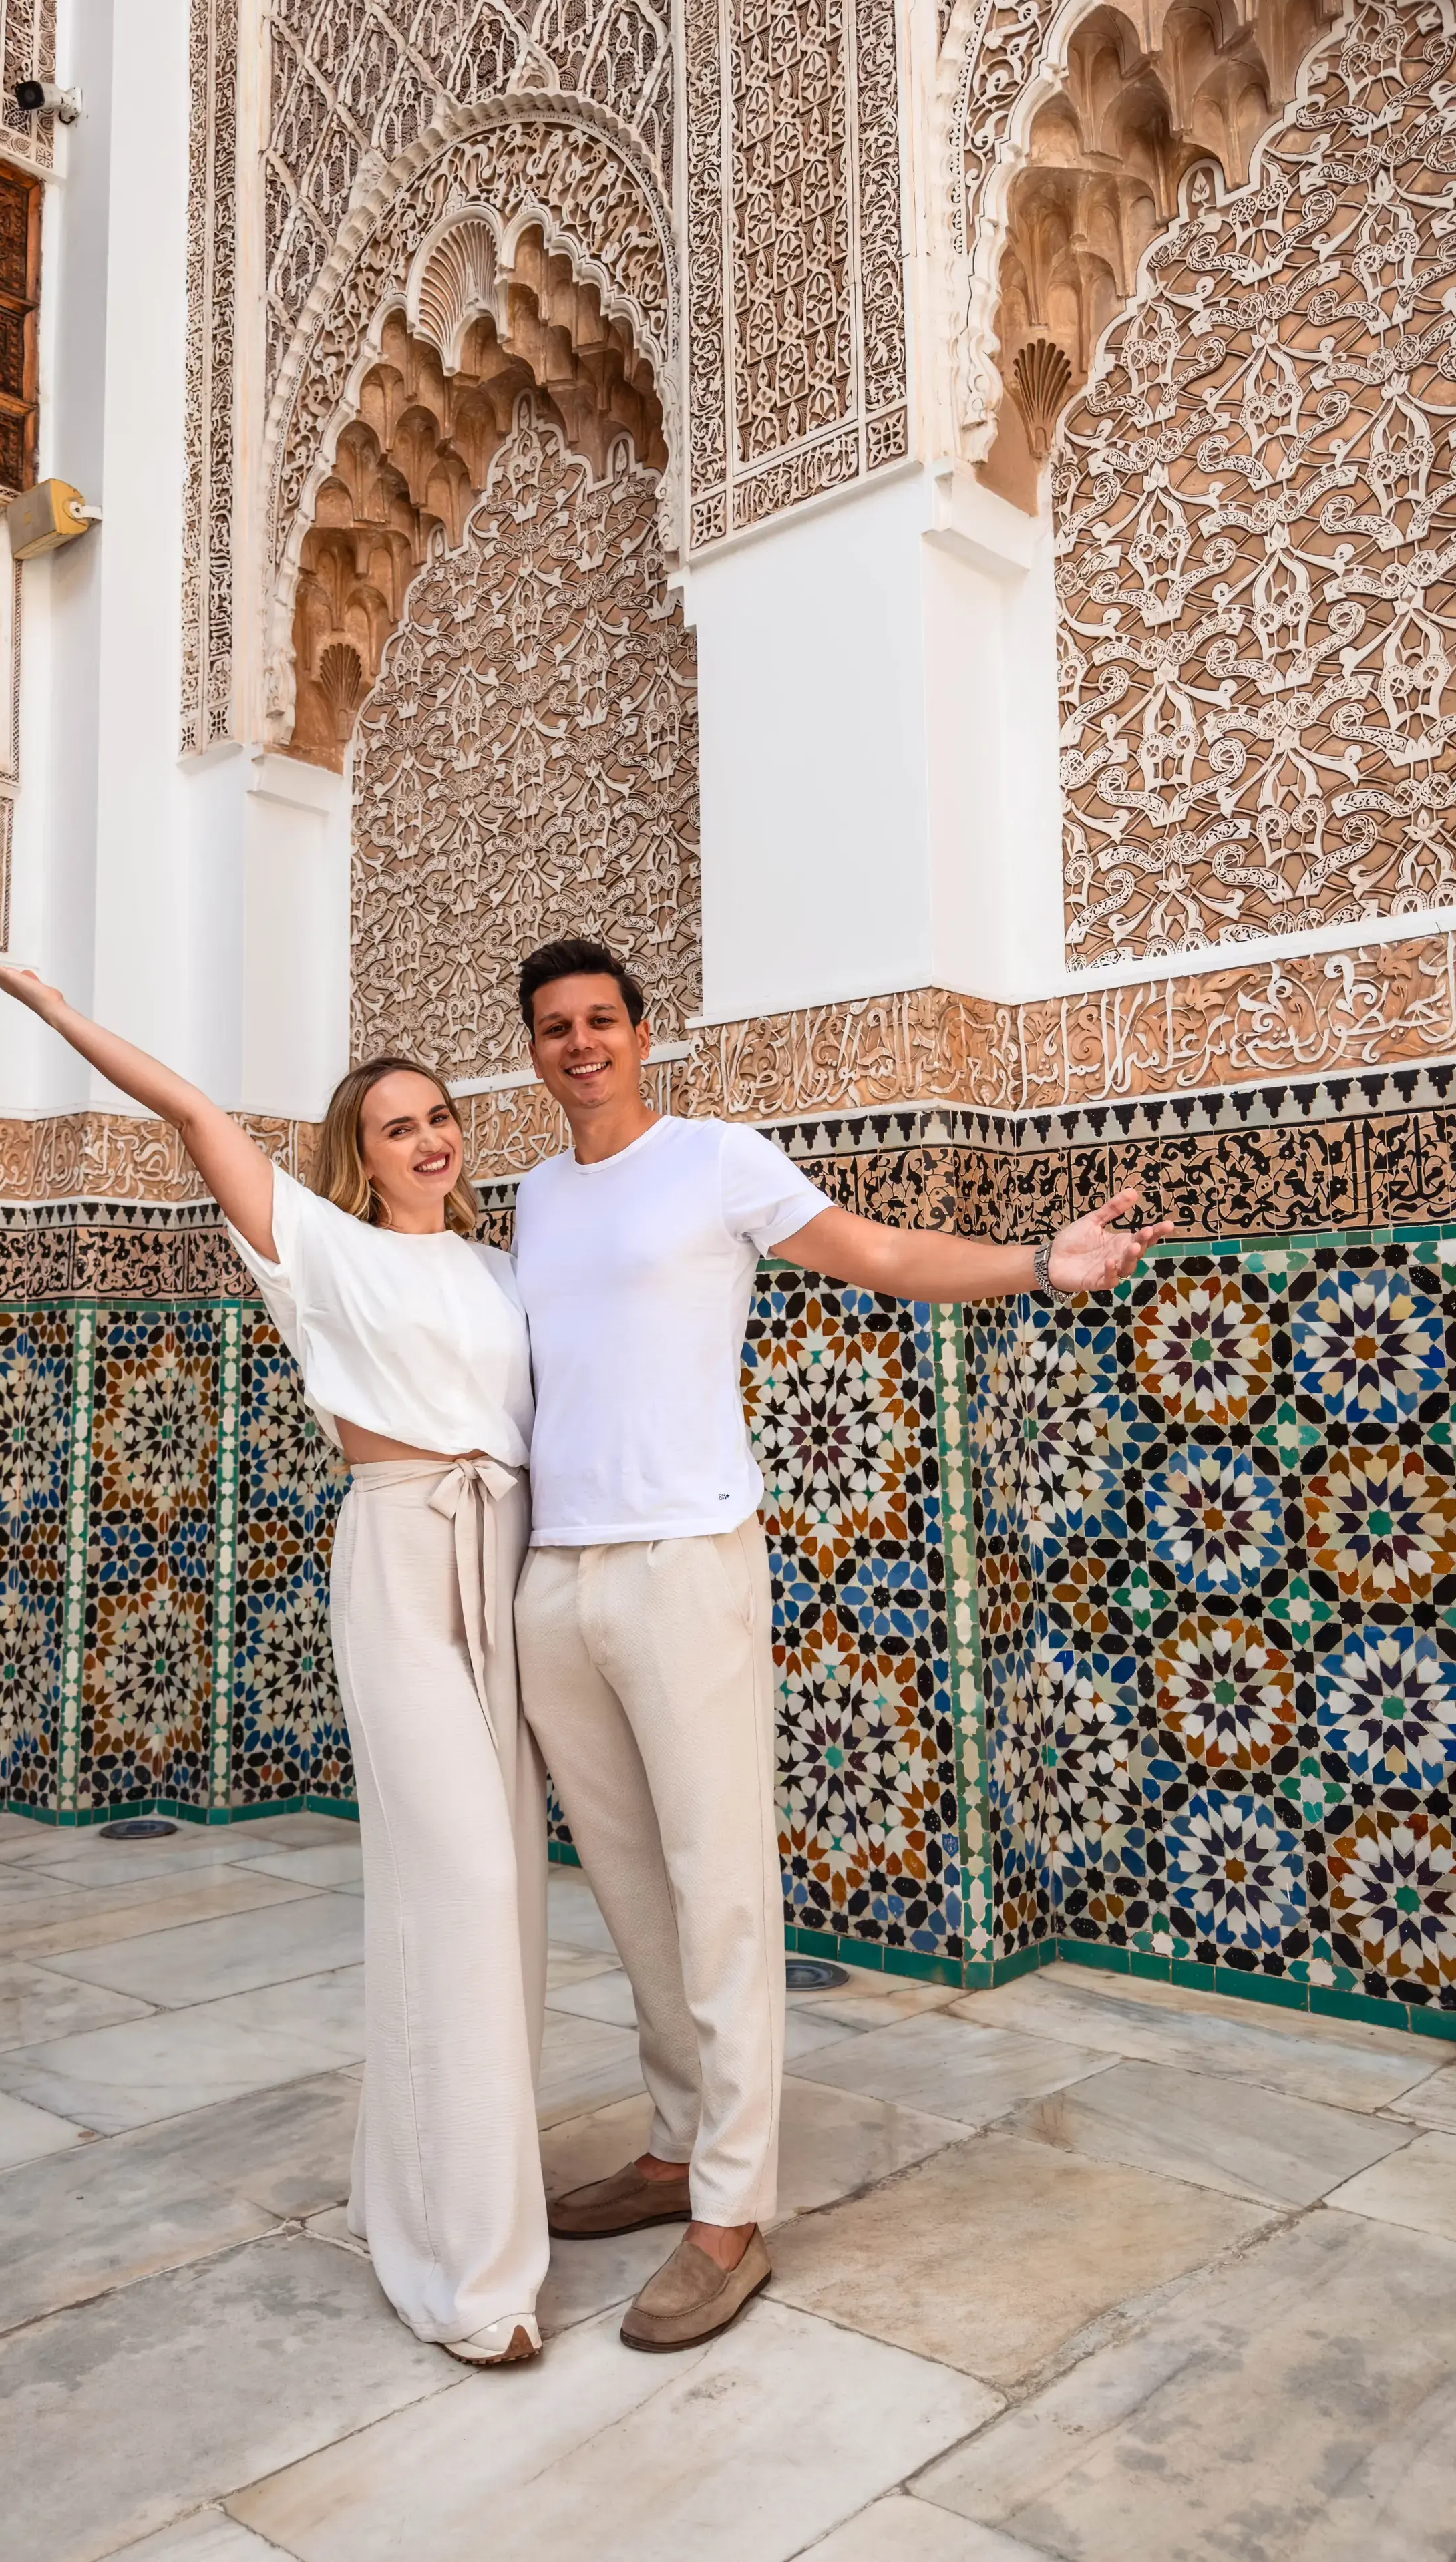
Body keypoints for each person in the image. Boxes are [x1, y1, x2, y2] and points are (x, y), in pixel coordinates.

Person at [509, 935, 1174, 2355]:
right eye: (556, 1027)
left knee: (720, 1885)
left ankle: (730, 2213)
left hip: (687, 1559)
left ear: (642, 1033)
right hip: (554, 1577)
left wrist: (1041, 1266)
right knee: (626, 1886)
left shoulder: (716, 1158)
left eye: (602, 1022)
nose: (581, 1045)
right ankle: (677, 2140)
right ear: (533, 1049)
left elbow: (873, 1252)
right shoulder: (533, 1197)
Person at [0, 939, 548, 2368]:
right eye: (396, 1122)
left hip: (511, 1553)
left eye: (439, 1115)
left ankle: (434, 2203)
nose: (428, 1136)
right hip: (404, 1552)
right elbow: (198, 1117)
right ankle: (469, 2275)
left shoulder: (501, 1265)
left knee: (511, 1897)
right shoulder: (313, 1246)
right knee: (454, 1885)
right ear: (359, 1150)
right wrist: (49, 1006)